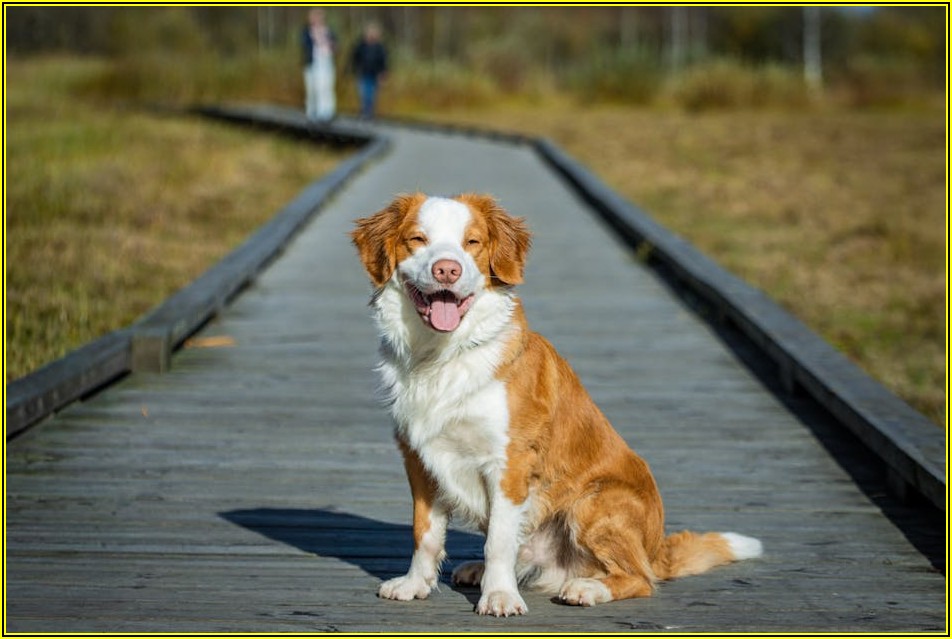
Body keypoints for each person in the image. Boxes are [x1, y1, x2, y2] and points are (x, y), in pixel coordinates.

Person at [301, 9, 337, 122]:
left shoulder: (329, 31)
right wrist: (315, 39)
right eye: (314, 17)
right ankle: (311, 112)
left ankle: (326, 112)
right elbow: (304, 45)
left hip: (326, 63)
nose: (316, 19)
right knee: (312, 89)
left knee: (325, 87)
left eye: (318, 17)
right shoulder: (306, 32)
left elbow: (336, 46)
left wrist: (330, 44)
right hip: (311, 64)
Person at [350, 23, 388, 120]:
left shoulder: (380, 48)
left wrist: (383, 74)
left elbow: (383, 62)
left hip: (375, 75)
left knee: (372, 95)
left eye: (374, 33)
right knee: (363, 94)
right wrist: (354, 70)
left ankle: (369, 113)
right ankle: (364, 112)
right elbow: (354, 59)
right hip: (362, 74)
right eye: (370, 32)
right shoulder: (360, 46)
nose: (372, 35)